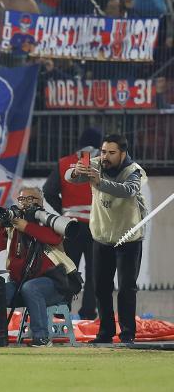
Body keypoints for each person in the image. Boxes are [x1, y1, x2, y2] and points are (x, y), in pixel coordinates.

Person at [66, 134, 148, 344]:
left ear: (123, 153)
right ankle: (105, 333)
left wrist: (98, 182)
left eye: (111, 153)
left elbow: (128, 191)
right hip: (102, 238)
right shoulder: (96, 164)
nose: (105, 157)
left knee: (126, 288)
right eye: (103, 152)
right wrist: (76, 171)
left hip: (128, 239)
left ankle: (128, 333)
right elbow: (69, 176)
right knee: (101, 288)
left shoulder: (134, 171)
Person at [0, 186, 79, 347]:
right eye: (21, 199)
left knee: (31, 288)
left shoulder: (50, 222)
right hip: (20, 284)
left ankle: (41, 337)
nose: (25, 203)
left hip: (56, 284)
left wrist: (26, 226)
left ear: (40, 202)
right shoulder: (13, 227)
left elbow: (54, 239)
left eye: (30, 199)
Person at [43, 127, 102, 320]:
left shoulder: (65, 163)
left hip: (71, 227)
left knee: (68, 270)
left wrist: (64, 210)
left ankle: (62, 314)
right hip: (97, 227)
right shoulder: (102, 164)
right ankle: (88, 314)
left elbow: (48, 191)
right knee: (95, 273)